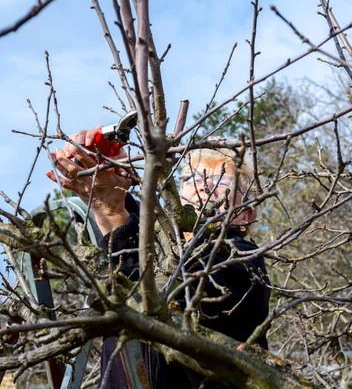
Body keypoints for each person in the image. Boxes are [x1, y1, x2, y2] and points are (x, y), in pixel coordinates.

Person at [47, 126, 270, 389]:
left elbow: (155, 294)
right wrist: (109, 179)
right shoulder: (161, 245)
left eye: (219, 183)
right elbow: (143, 236)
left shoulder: (243, 261)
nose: (201, 189)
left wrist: (110, 207)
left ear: (245, 214)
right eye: (191, 179)